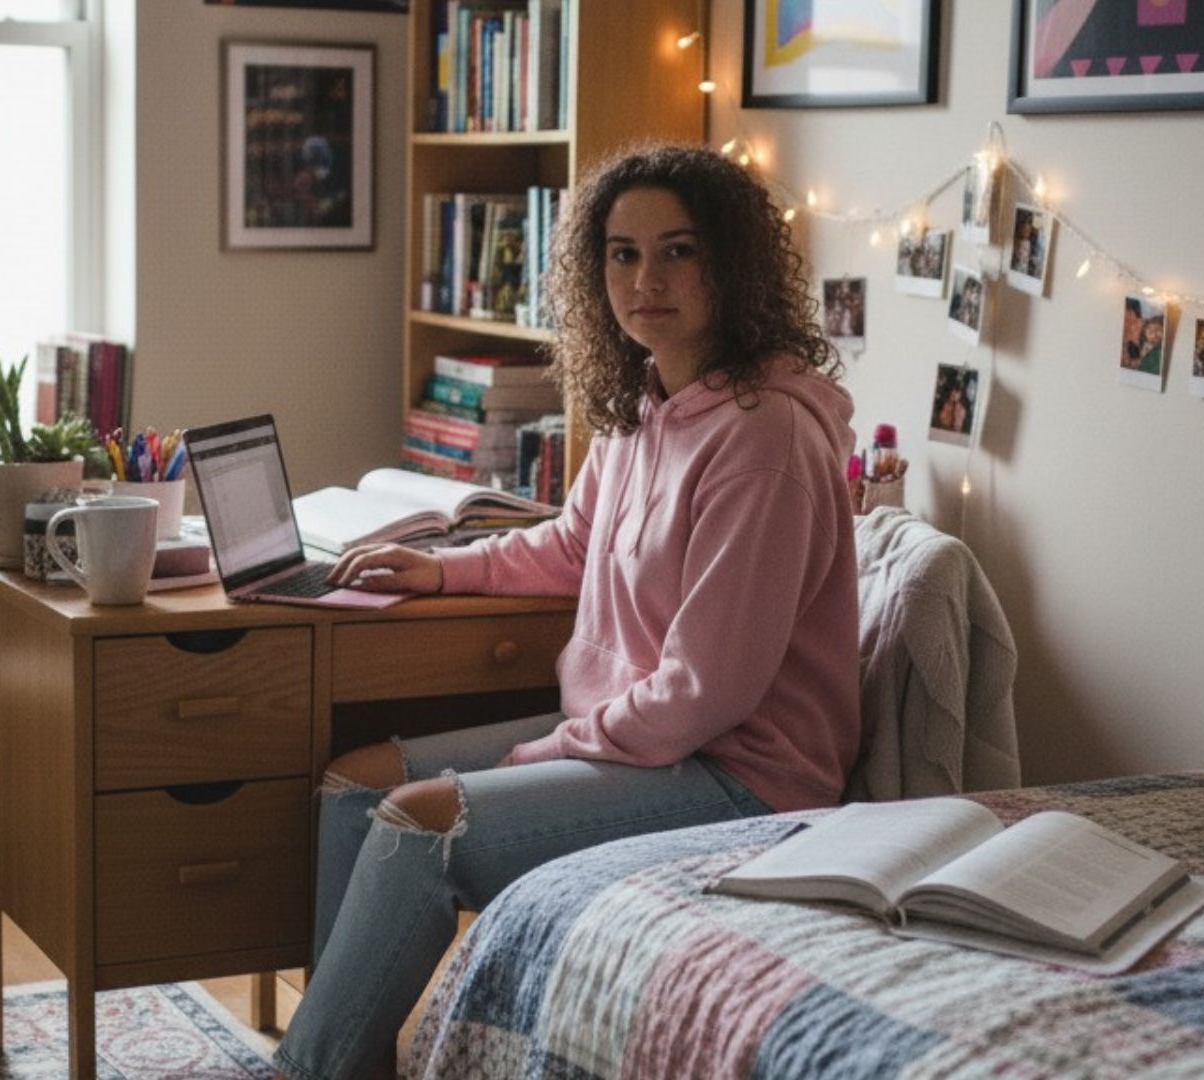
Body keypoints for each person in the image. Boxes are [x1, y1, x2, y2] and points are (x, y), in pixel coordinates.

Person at [270, 144, 862, 1080]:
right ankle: (343, 1051)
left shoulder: (764, 437)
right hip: (637, 734)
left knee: (422, 825)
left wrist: (541, 754)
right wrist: (439, 571)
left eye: (677, 251)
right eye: (622, 255)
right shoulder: (643, 406)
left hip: (739, 772)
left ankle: (310, 1068)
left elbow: (706, 693)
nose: (645, 280)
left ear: (732, 264)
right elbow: (572, 545)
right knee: (353, 788)